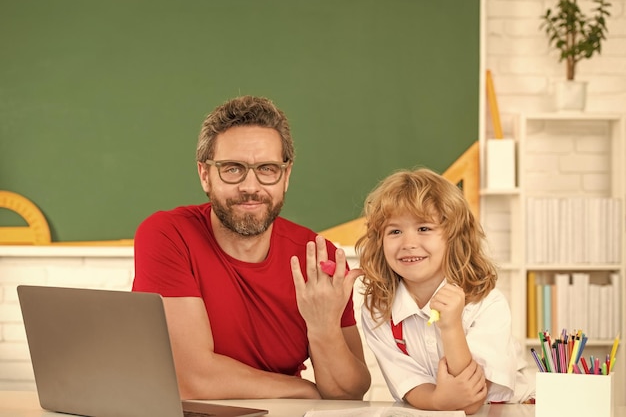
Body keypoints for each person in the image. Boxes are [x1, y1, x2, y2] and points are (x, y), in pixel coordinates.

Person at [132, 95, 371, 400]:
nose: (250, 186)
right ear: (205, 175)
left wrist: (322, 327)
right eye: (233, 169)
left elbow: (348, 394)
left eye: (267, 169)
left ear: (285, 176)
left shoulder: (316, 257)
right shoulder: (168, 235)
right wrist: (304, 390)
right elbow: (192, 380)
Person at [355, 168, 534, 414]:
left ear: (454, 236)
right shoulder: (378, 311)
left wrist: (451, 327)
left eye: (424, 228)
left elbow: (473, 396)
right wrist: (438, 401)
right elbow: (410, 385)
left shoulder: (487, 303)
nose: (408, 244)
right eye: (395, 231)